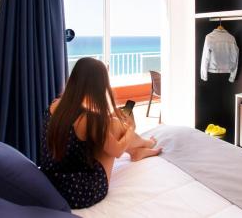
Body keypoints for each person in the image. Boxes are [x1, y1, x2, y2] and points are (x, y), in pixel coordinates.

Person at [40, 57, 162, 209]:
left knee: (111, 124)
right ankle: (142, 145)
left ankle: (139, 149)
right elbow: (117, 151)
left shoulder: (55, 105)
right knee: (115, 128)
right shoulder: (88, 120)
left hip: (51, 181)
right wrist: (131, 128)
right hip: (77, 191)